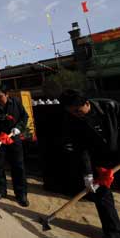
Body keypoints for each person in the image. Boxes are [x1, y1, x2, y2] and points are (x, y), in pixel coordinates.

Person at [60, 89, 120, 237]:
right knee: (102, 195)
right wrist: (88, 173)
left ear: (87, 103)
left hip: (118, 151)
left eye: (78, 111)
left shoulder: (110, 107)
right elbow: (81, 148)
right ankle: (113, 232)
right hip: (99, 158)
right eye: (72, 112)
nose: (76, 114)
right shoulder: (73, 119)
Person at [0, 85, 29, 207]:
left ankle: (21, 194)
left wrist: (19, 128)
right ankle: (0, 191)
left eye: (0, 96)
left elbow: (24, 117)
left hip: (13, 138)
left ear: (7, 94)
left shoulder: (15, 103)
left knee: (18, 166)